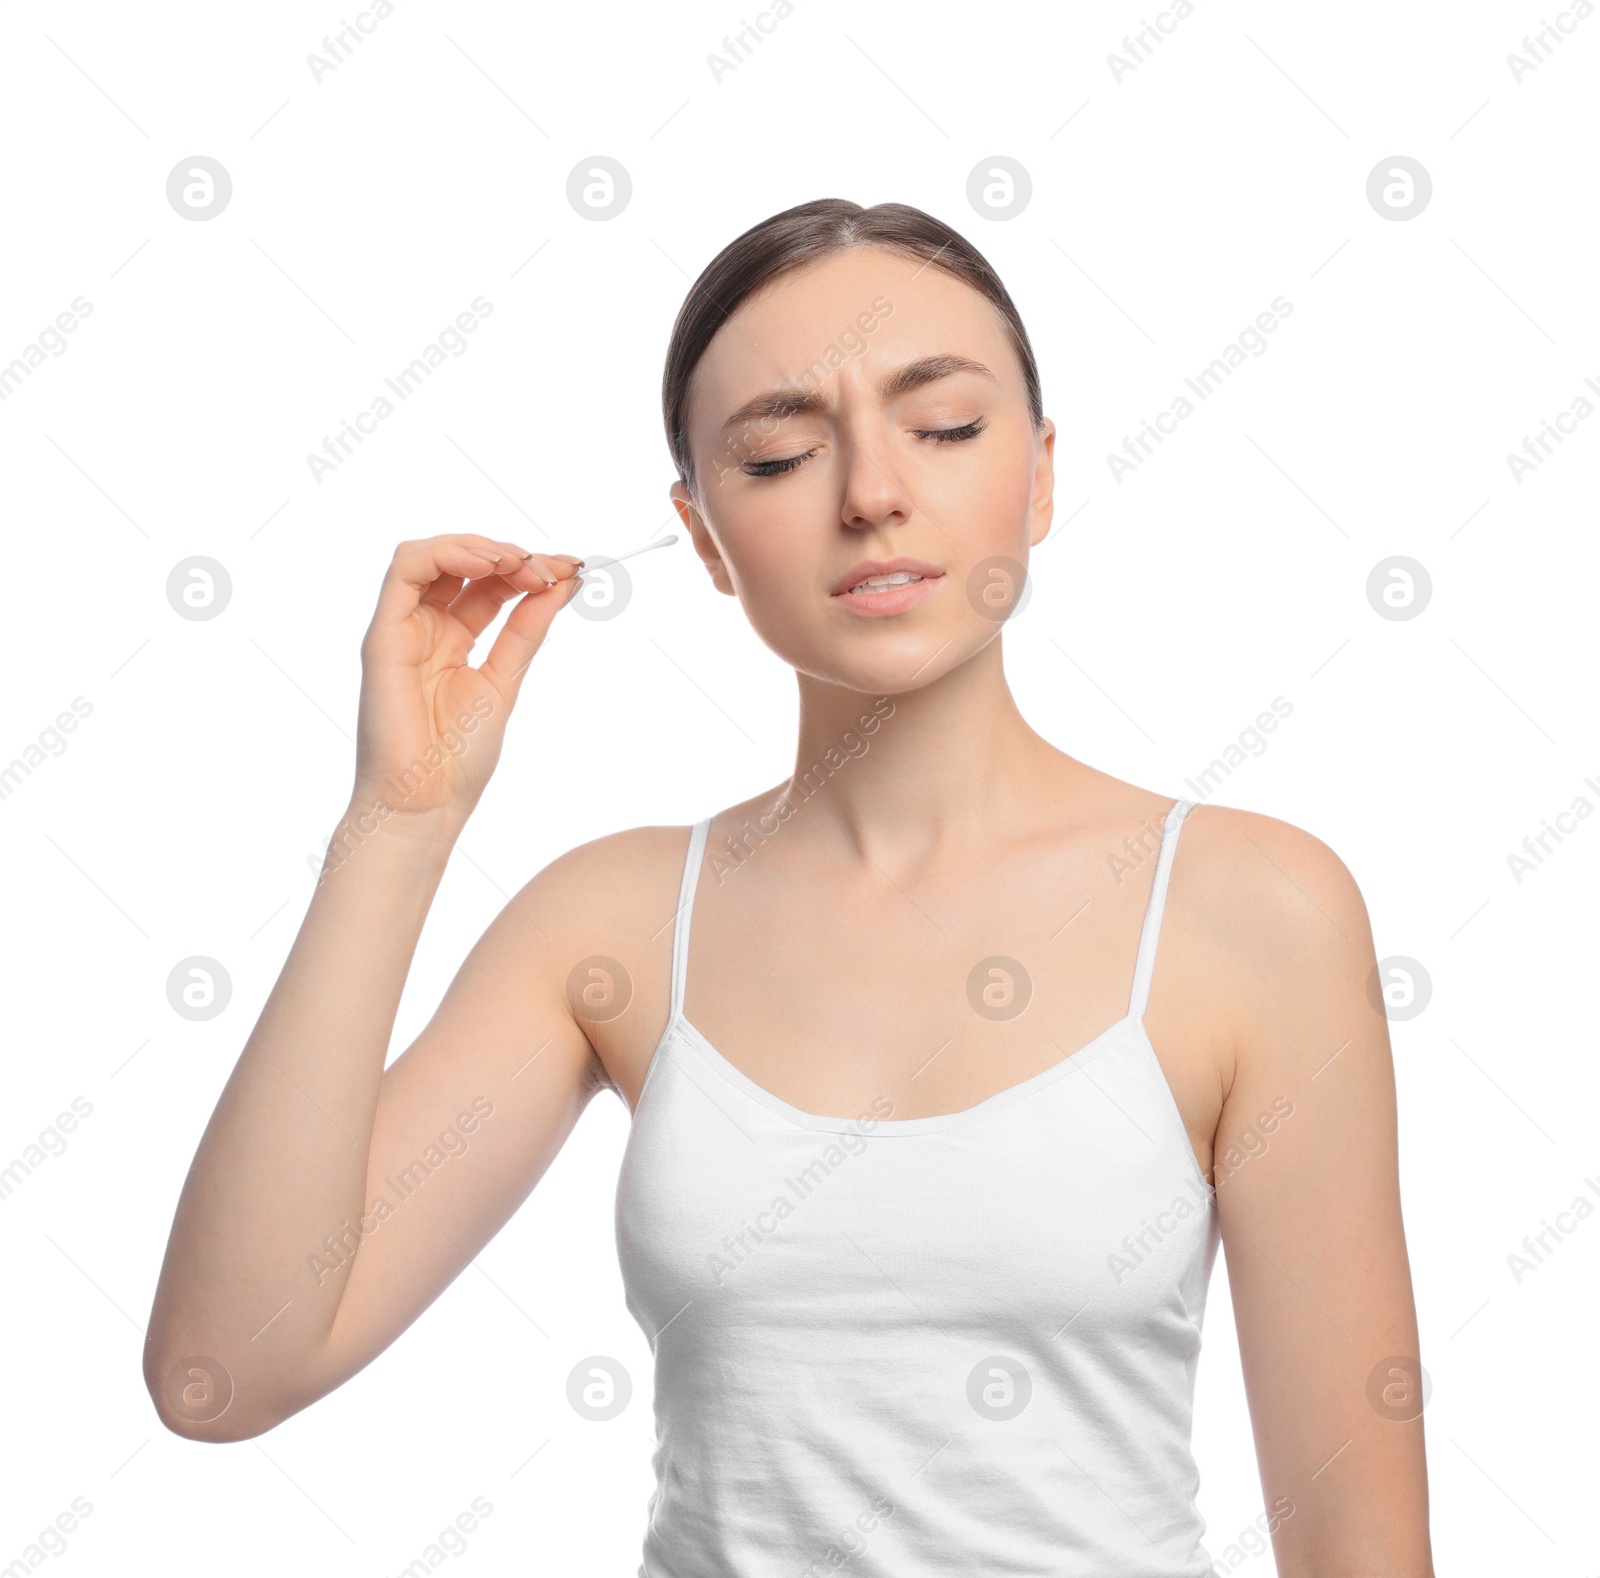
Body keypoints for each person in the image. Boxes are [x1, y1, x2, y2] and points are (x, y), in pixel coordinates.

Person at [145, 198, 1434, 1575]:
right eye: (779, 453)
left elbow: (1359, 1539)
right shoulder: (611, 925)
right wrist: (398, 823)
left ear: (1042, 476)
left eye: (943, 427)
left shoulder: (1253, 911)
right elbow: (225, 1369)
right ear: (702, 537)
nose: (873, 491)